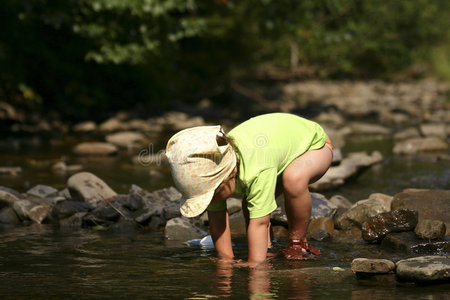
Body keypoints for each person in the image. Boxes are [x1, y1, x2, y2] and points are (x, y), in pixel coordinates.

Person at [165, 113, 333, 265]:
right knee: (252, 204)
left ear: (229, 174)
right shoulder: (213, 172)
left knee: (292, 180)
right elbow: (217, 222)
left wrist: (255, 264)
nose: (210, 201)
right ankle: (268, 249)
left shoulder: (256, 168)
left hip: (314, 145)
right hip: (276, 154)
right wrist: (226, 260)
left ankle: (298, 242)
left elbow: (259, 223)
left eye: (210, 196)